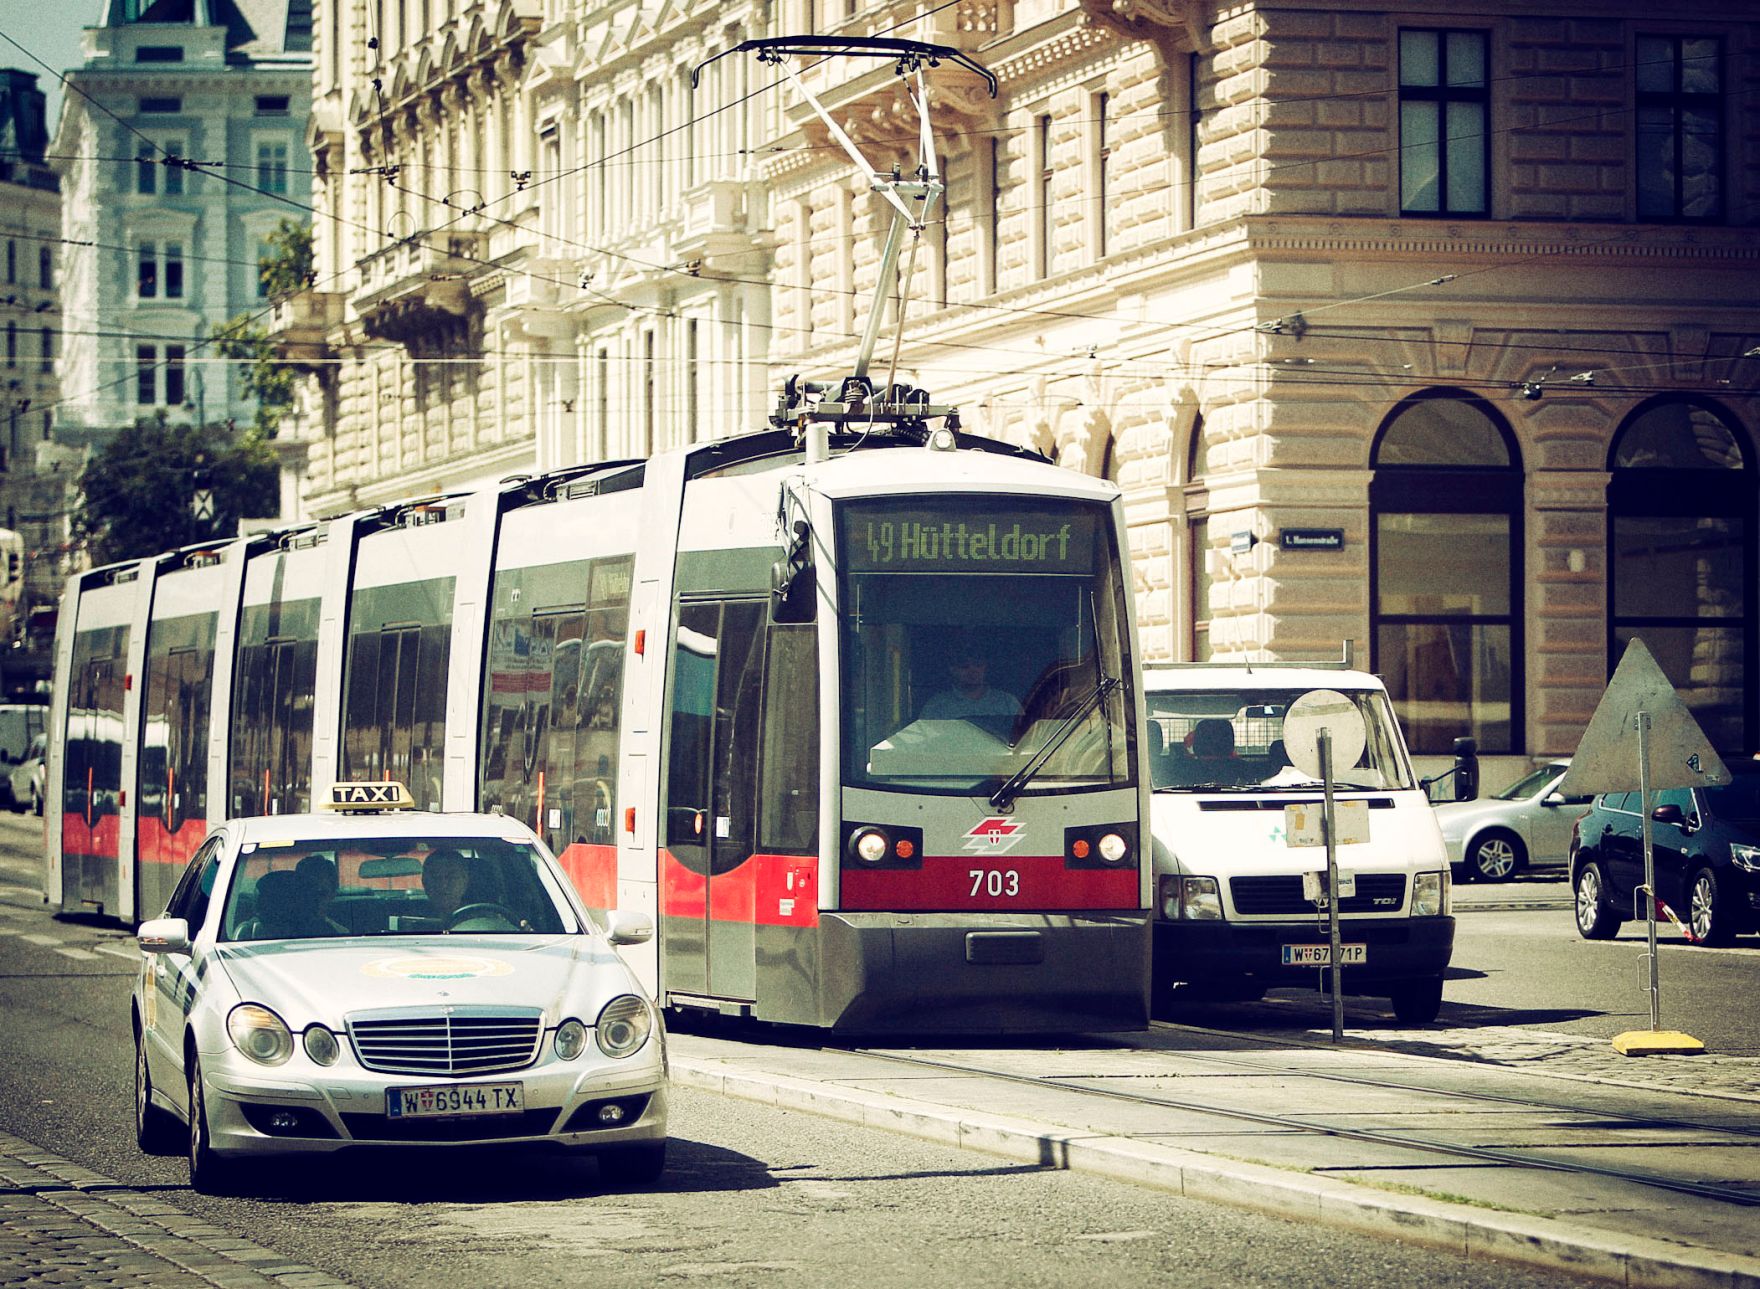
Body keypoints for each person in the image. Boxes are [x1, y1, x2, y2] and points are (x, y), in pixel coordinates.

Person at [920, 641, 1023, 727]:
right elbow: (924, 743)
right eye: (964, 666)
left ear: (985, 667)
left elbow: (1025, 738)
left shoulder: (1007, 702)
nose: (973, 670)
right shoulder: (936, 706)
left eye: (978, 665)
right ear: (953, 669)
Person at [295, 854, 350, 934]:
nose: (315, 900)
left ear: (333, 894)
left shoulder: (342, 935)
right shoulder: (276, 930)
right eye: (307, 893)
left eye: (321, 893)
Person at [422, 848, 471, 921]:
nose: (443, 885)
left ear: (465, 880)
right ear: (424, 882)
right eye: (435, 877)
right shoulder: (409, 918)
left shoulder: (483, 918)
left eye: (451, 877)